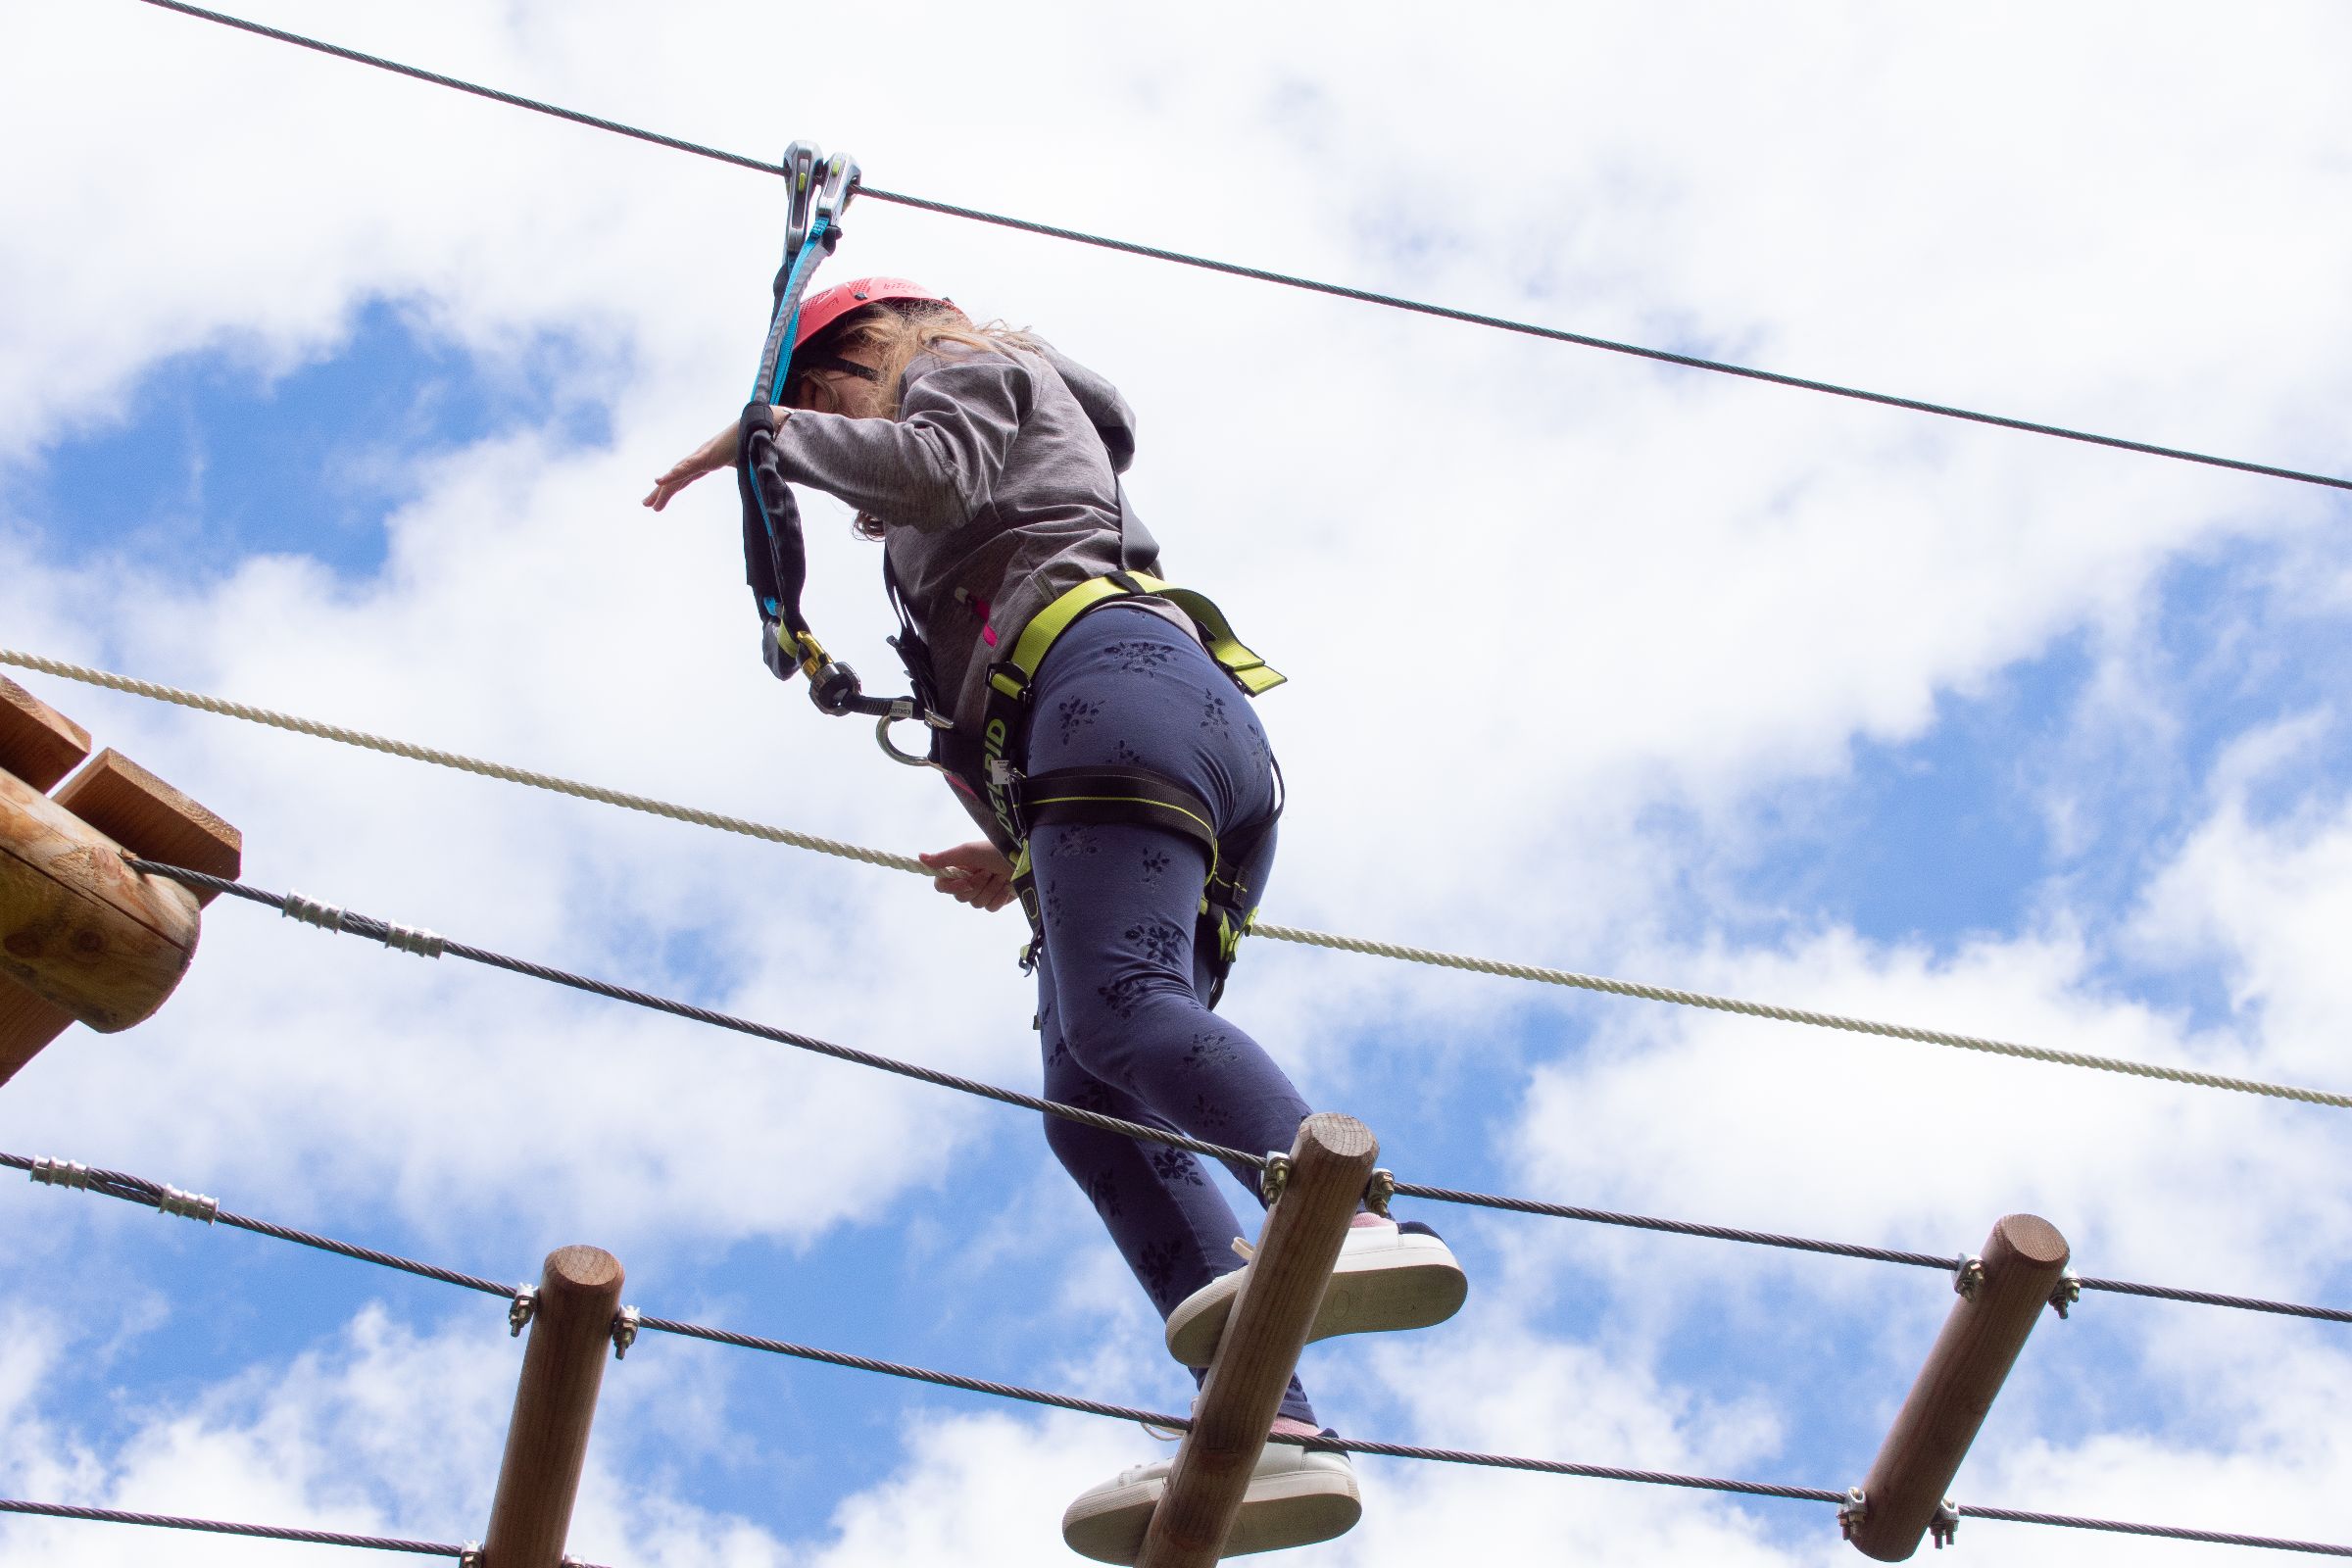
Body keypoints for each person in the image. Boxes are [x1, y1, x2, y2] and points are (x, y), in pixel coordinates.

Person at [645, 277, 1464, 1561]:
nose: (836, 441)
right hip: (1143, 728)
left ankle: (1355, 1216)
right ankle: (1275, 1436)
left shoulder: (961, 372)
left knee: (1124, 1011)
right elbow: (979, 616)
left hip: (1115, 687)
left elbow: (931, 464)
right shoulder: (970, 513)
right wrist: (1010, 848)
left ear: (872, 346)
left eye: (829, 397)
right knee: (1089, 1099)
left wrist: (764, 436)